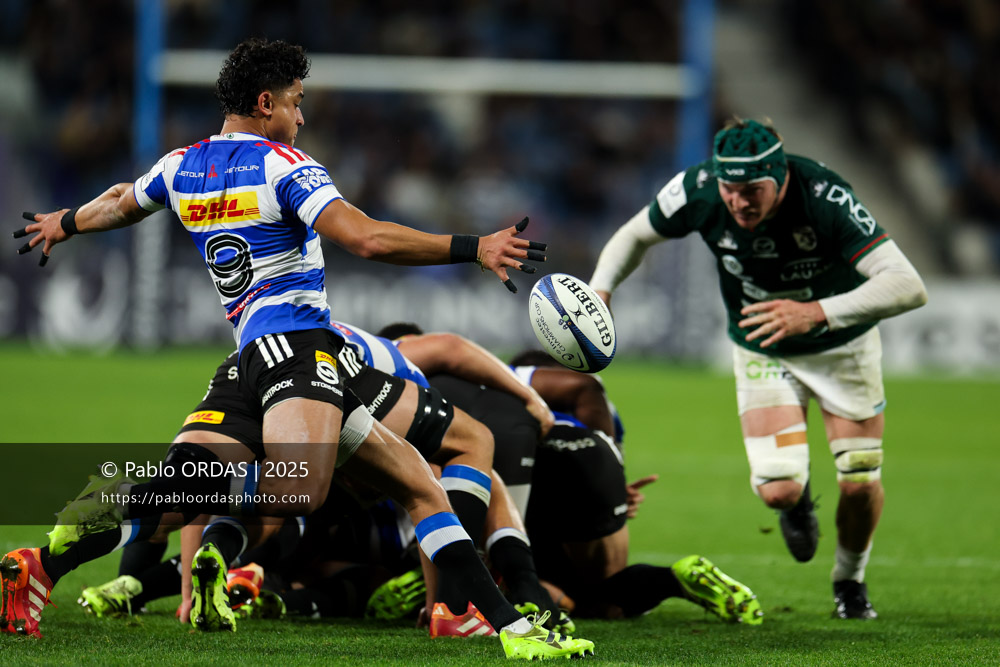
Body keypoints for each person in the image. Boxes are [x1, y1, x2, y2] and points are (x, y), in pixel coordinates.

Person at [4, 39, 596, 658]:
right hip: (303, 352)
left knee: (420, 485)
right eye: (296, 102)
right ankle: (133, 502)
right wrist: (470, 247)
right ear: (266, 103)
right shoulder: (287, 166)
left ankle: (40, 565)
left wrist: (64, 222)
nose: (301, 117)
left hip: (250, 360)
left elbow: (123, 201)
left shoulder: (182, 166)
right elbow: (365, 239)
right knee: (297, 493)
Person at [588, 117, 928, 619]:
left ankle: (849, 582)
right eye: (731, 190)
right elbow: (634, 235)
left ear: (781, 177)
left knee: (858, 481)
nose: (739, 202)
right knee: (778, 488)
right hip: (762, 348)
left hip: (842, 346)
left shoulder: (824, 197)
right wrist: (601, 289)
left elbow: (907, 284)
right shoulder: (697, 189)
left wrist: (814, 312)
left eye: (753, 191)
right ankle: (796, 506)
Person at [509, 350, 762, 624]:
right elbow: (608, 465)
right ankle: (673, 579)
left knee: (515, 570)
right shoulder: (603, 409)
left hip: (532, 475)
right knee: (605, 597)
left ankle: (545, 596)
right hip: (594, 465)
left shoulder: (506, 390)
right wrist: (619, 492)